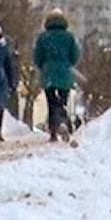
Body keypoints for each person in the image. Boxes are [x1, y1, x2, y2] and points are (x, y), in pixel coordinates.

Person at [33, 8, 82, 142]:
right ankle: (64, 122)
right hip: (64, 73)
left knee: (51, 102)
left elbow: (37, 56)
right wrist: (67, 64)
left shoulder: (43, 37)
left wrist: (43, 66)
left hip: (48, 72)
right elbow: (75, 55)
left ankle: (53, 132)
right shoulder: (69, 36)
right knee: (62, 101)